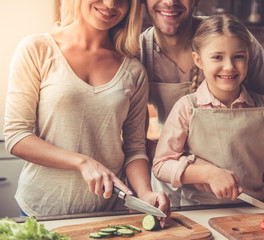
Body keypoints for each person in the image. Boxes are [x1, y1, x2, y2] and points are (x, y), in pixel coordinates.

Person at [3, 0, 169, 226]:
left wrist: (146, 193)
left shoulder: (133, 70)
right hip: (41, 209)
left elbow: (135, 148)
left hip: (109, 212)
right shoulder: (37, 49)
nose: (111, 4)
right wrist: (82, 162)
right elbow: (16, 137)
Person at [139, 0, 264, 217]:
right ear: (198, 60)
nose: (229, 66)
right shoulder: (140, 52)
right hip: (183, 201)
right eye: (218, 57)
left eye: (238, 57)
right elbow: (138, 144)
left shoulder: (232, 36)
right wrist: (200, 170)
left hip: (252, 211)